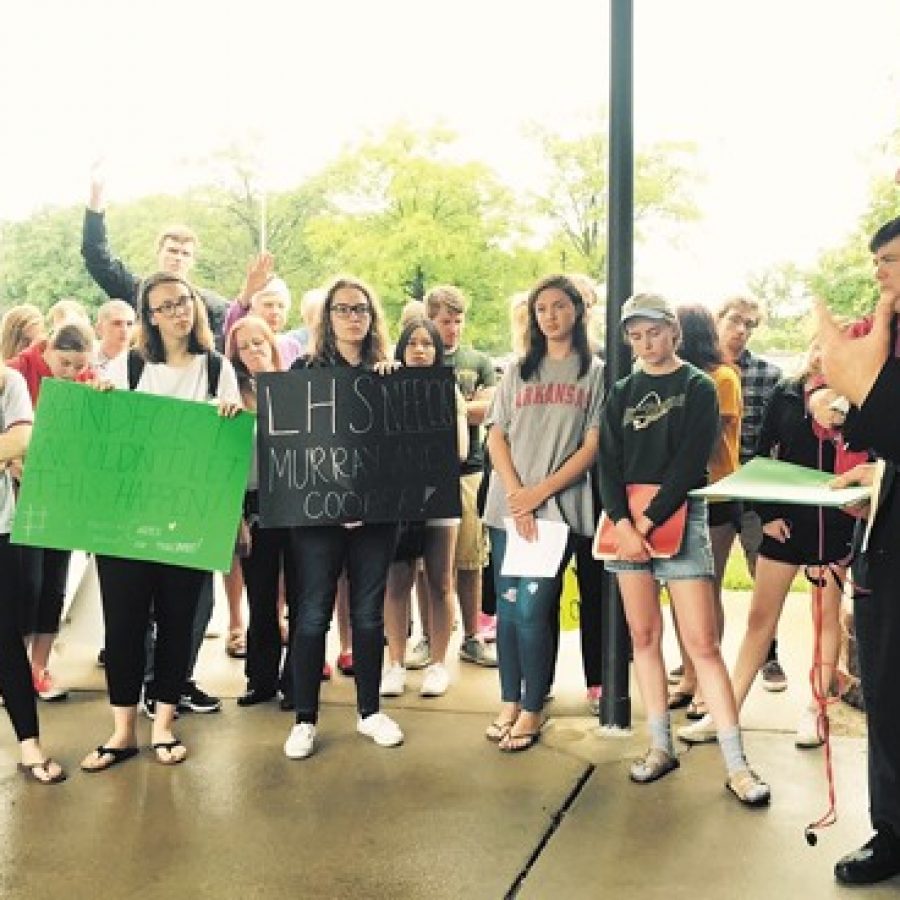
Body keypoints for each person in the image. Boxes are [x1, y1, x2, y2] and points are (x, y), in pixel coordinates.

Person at [598, 293, 769, 805]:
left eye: (653, 332)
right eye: (635, 336)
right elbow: (608, 462)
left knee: (702, 643)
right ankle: (659, 745)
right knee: (644, 636)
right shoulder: (623, 391)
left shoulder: (697, 386)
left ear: (673, 331)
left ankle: (737, 763)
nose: (645, 343)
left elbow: (692, 460)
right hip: (626, 524)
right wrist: (625, 524)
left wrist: (648, 520)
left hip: (681, 517)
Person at [80, 272, 241, 772]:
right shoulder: (127, 366)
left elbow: (230, 451)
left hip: (188, 520)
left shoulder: (217, 369)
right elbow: (102, 439)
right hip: (127, 519)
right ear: (149, 316)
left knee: (177, 622)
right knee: (124, 624)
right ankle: (123, 731)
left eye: (184, 302)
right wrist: (103, 401)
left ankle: (164, 726)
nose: (179, 312)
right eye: (166, 306)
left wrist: (231, 416)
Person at [678, 337, 863, 747]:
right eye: (819, 346)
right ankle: (726, 712)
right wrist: (767, 515)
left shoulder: (859, 398)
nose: (822, 354)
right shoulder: (786, 392)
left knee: (825, 617)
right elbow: (762, 455)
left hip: (832, 526)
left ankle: (816, 710)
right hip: (785, 524)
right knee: (760, 618)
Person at [283, 275, 403, 760]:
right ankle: (305, 719)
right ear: (326, 318)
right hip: (317, 517)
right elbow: (294, 447)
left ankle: (370, 712)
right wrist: (335, 503)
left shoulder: (389, 375)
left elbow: (400, 451)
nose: (353, 317)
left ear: (372, 318)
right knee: (311, 616)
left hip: (376, 516)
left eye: (361, 309)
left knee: (369, 616)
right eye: (343, 309)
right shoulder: (303, 370)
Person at [482, 274, 603, 751]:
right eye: (541, 310)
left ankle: (533, 707)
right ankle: (510, 699)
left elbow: (591, 445)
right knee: (508, 610)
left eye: (558, 306)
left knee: (534, 608)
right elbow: (496, 433)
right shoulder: (517, 371)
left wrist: (540, 494)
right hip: (507, 507)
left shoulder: (594, 373)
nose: (550, 316)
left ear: (577, 310)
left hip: (558, 509)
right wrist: (516, 493)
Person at [816, 214, 900, 885]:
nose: (881, 276)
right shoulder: (887, 337)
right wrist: (872, 476)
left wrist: (854, 389)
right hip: (888, 544)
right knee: (887, 690)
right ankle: (893, 831)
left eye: (892, 260)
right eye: (877, 262)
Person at [380, 317, 468, 699]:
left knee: (441, 580)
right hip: (397, 499)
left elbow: (461, 450)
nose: (419, 350)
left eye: (427, 344)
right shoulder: (384, 385)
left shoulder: (450, 393)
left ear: (437, 350)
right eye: (412, 343)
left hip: (438, 494)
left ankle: (437, 664)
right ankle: (395, 663)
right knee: (397, 581)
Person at [8, 319, 96, 701]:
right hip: (19, 497)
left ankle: (38, 669)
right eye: (65, 364)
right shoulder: (15, 373)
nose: (72, 372)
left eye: (79, 366)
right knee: (26, 585)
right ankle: (12, 669)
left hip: (65, 496)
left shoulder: (86, 381)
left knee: (55, 585)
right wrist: (12, 460)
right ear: (48, 351)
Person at [667, 304, 742, 720]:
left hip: (715, 495)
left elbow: (708, 441)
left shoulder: (722, 378)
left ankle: (708, 682)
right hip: (679, 494)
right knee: (681, 589)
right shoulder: (676, 379)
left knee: (706, 589)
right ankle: (690, 676)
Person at [224, 315, 298, 706]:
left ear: (273, 344)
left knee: (303, 595)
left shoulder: (296, 388)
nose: (253, 351)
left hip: (299, 502)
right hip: (255, 505)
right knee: (262, 595)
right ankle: (261, 678)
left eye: (259, 343)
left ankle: (296, 679)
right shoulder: (231, 396)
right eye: (244, 347)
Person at [715, 296, 786, 691]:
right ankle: (703, 661)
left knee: (765, 573)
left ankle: (768, 656)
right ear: (718, 320)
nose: (741, 330)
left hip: (757, 490)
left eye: (750, 324)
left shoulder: (768, 375)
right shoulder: (701, 371)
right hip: (717, 490)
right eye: (735, 321)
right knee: (708, 577)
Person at [424, 285, 497, 668]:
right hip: (424, 470)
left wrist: (450, 408)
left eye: (457, 321)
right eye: (444, 321)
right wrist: (461, 409)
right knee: (426, 563)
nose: (451, 329)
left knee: (470, 557)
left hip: (469, 468)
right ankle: (426, 635)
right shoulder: (418, 354)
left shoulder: (478, 360)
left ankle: (472, 635)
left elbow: (490, 407)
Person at [0, 361, 66, 784]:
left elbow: (21, 439)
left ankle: (30, 745)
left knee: (6, 639)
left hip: (2, 527)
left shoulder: (10, 380)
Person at [81, 166, 228, 343]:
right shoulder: (136, 291)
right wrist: (95, 201)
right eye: (172, 250)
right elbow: (97, 258)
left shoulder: (211, 305)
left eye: (185, 254)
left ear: (193, 261)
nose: (178, 258)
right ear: (159, 252)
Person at [93, 299, 136, 379]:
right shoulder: (85, 360)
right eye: (117, 323)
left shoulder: (139, 363)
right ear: (99, 328)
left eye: (129, 324)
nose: (124, 329)